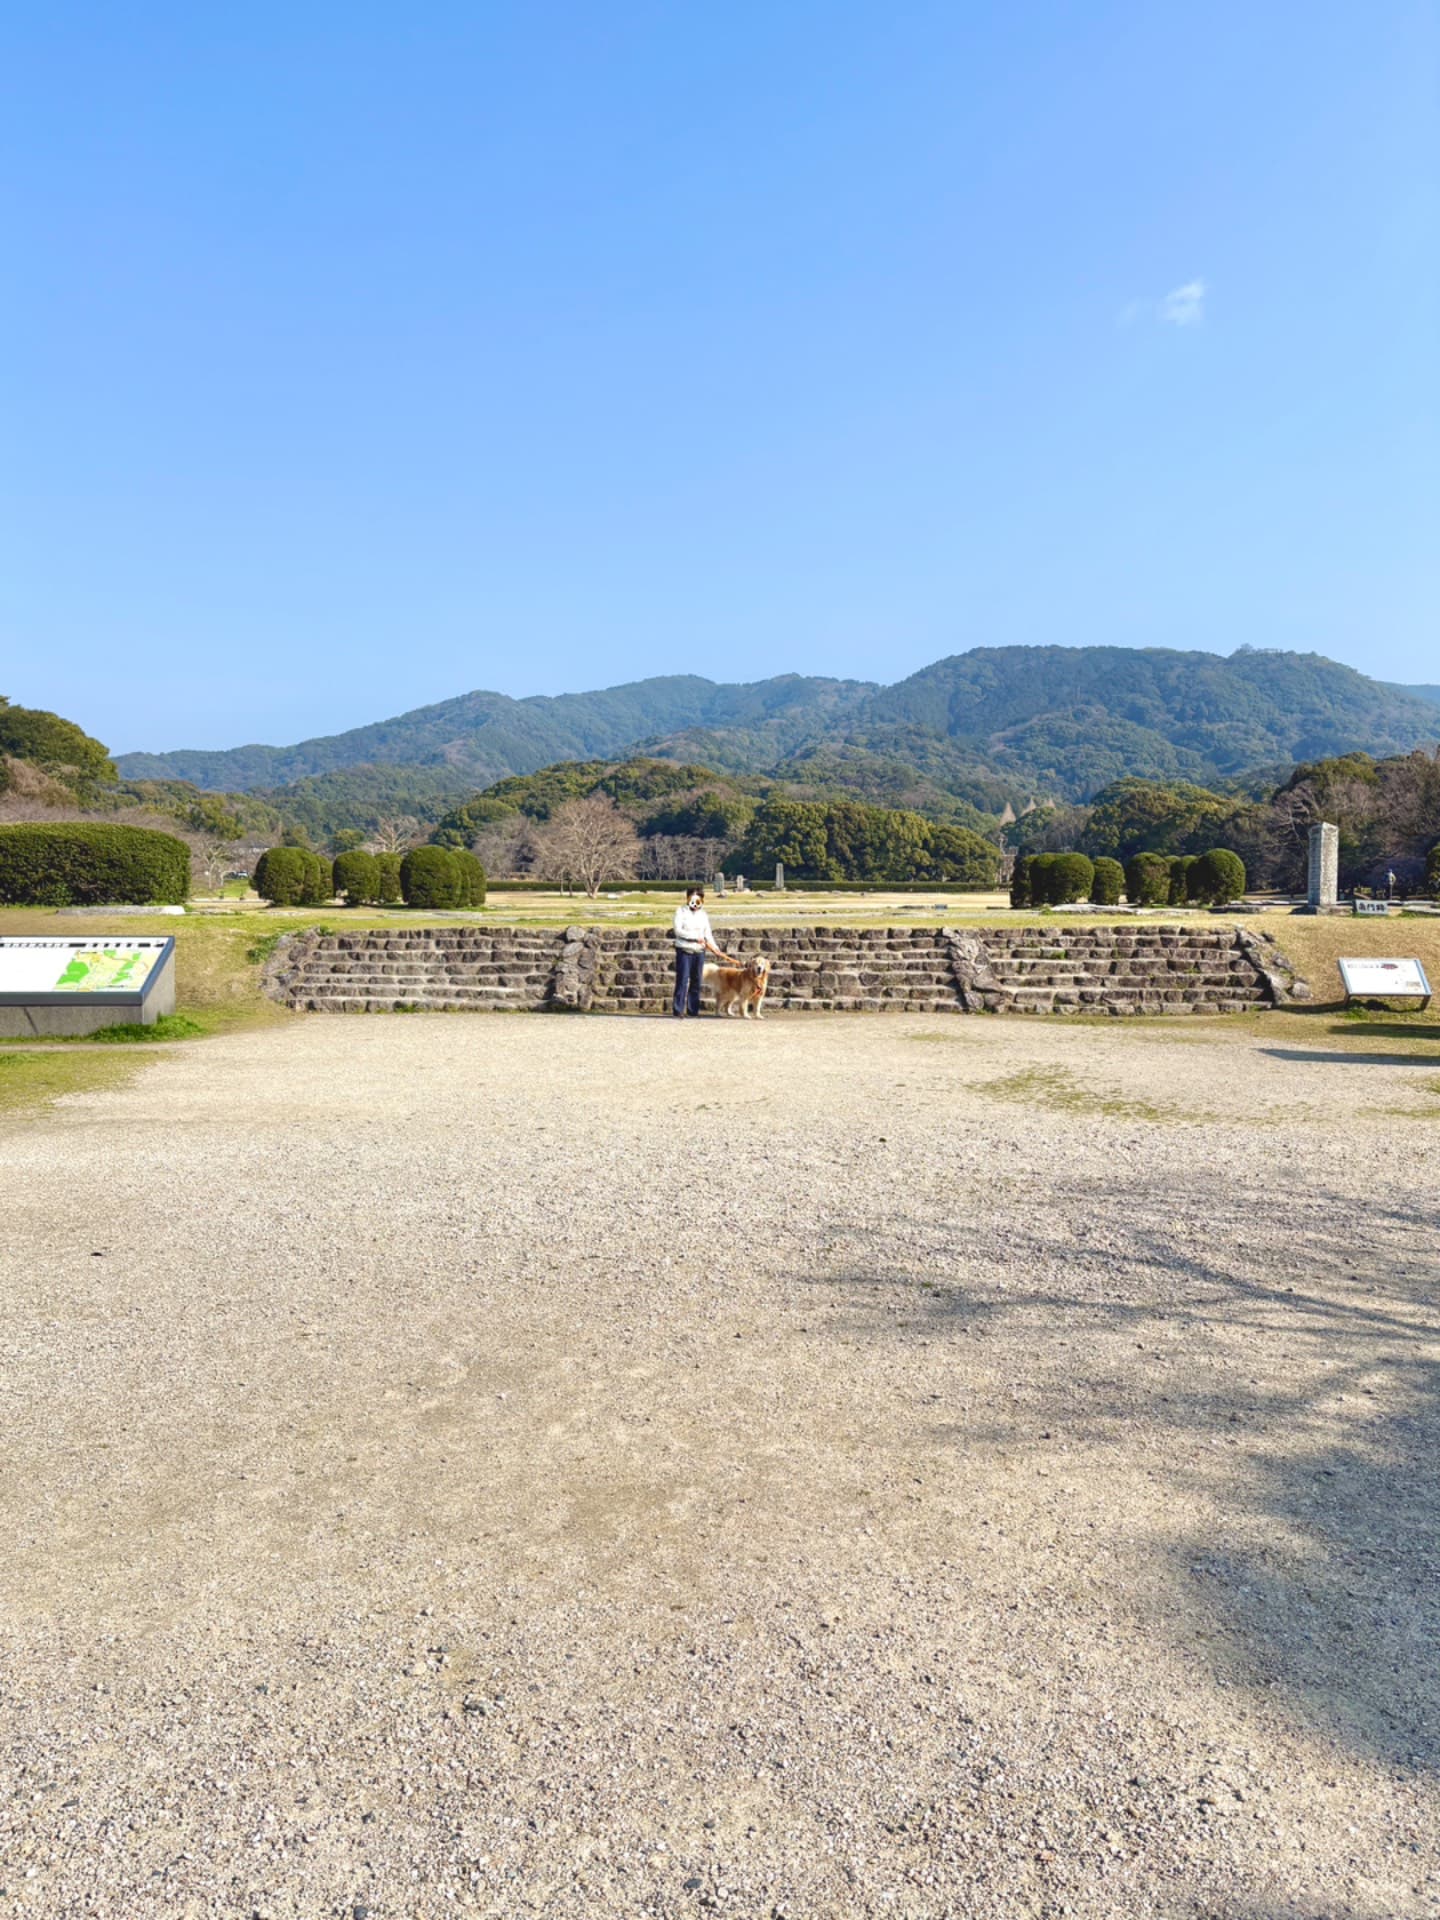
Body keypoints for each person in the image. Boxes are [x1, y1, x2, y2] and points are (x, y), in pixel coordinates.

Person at [671, 884, 725, 1018]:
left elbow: (708, 933)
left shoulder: (703, 914)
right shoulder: (680, 911)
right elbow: (678, 931)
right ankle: (678, 1009)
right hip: (684, 950)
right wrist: (695, 937)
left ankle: (693, 1010)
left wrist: (716, 948)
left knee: (696, 980)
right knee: (682, 980)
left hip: (699, 951)